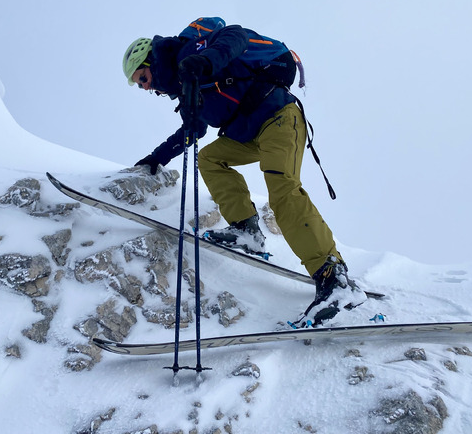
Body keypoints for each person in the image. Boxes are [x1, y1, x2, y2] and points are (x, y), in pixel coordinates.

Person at [122, 19, 367, 326]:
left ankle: (335, 280)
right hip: (248, 133)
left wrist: (204, 61)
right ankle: (247, 230)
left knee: (283, 190)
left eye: (143, 78)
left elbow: (235, 36)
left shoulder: (193, 50)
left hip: (279, 116)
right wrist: (155, 159)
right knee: (211, 158)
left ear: (152, 62)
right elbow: (194, 129)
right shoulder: (188, 88)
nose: (146, 88)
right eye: (141, 85)